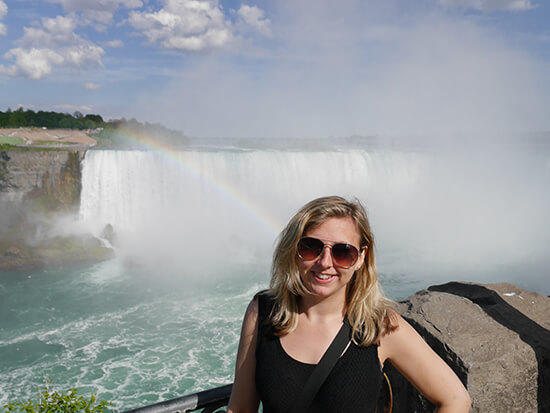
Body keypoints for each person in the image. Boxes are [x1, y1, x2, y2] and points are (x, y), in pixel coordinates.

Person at [227, 196, 471, 412]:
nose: (325, 262)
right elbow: (240, 409)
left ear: (361, 258)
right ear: (294, 249)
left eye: (343, 252)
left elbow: (455, 399)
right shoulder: (264, 311)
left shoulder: (380, 326)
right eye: (311, 247)